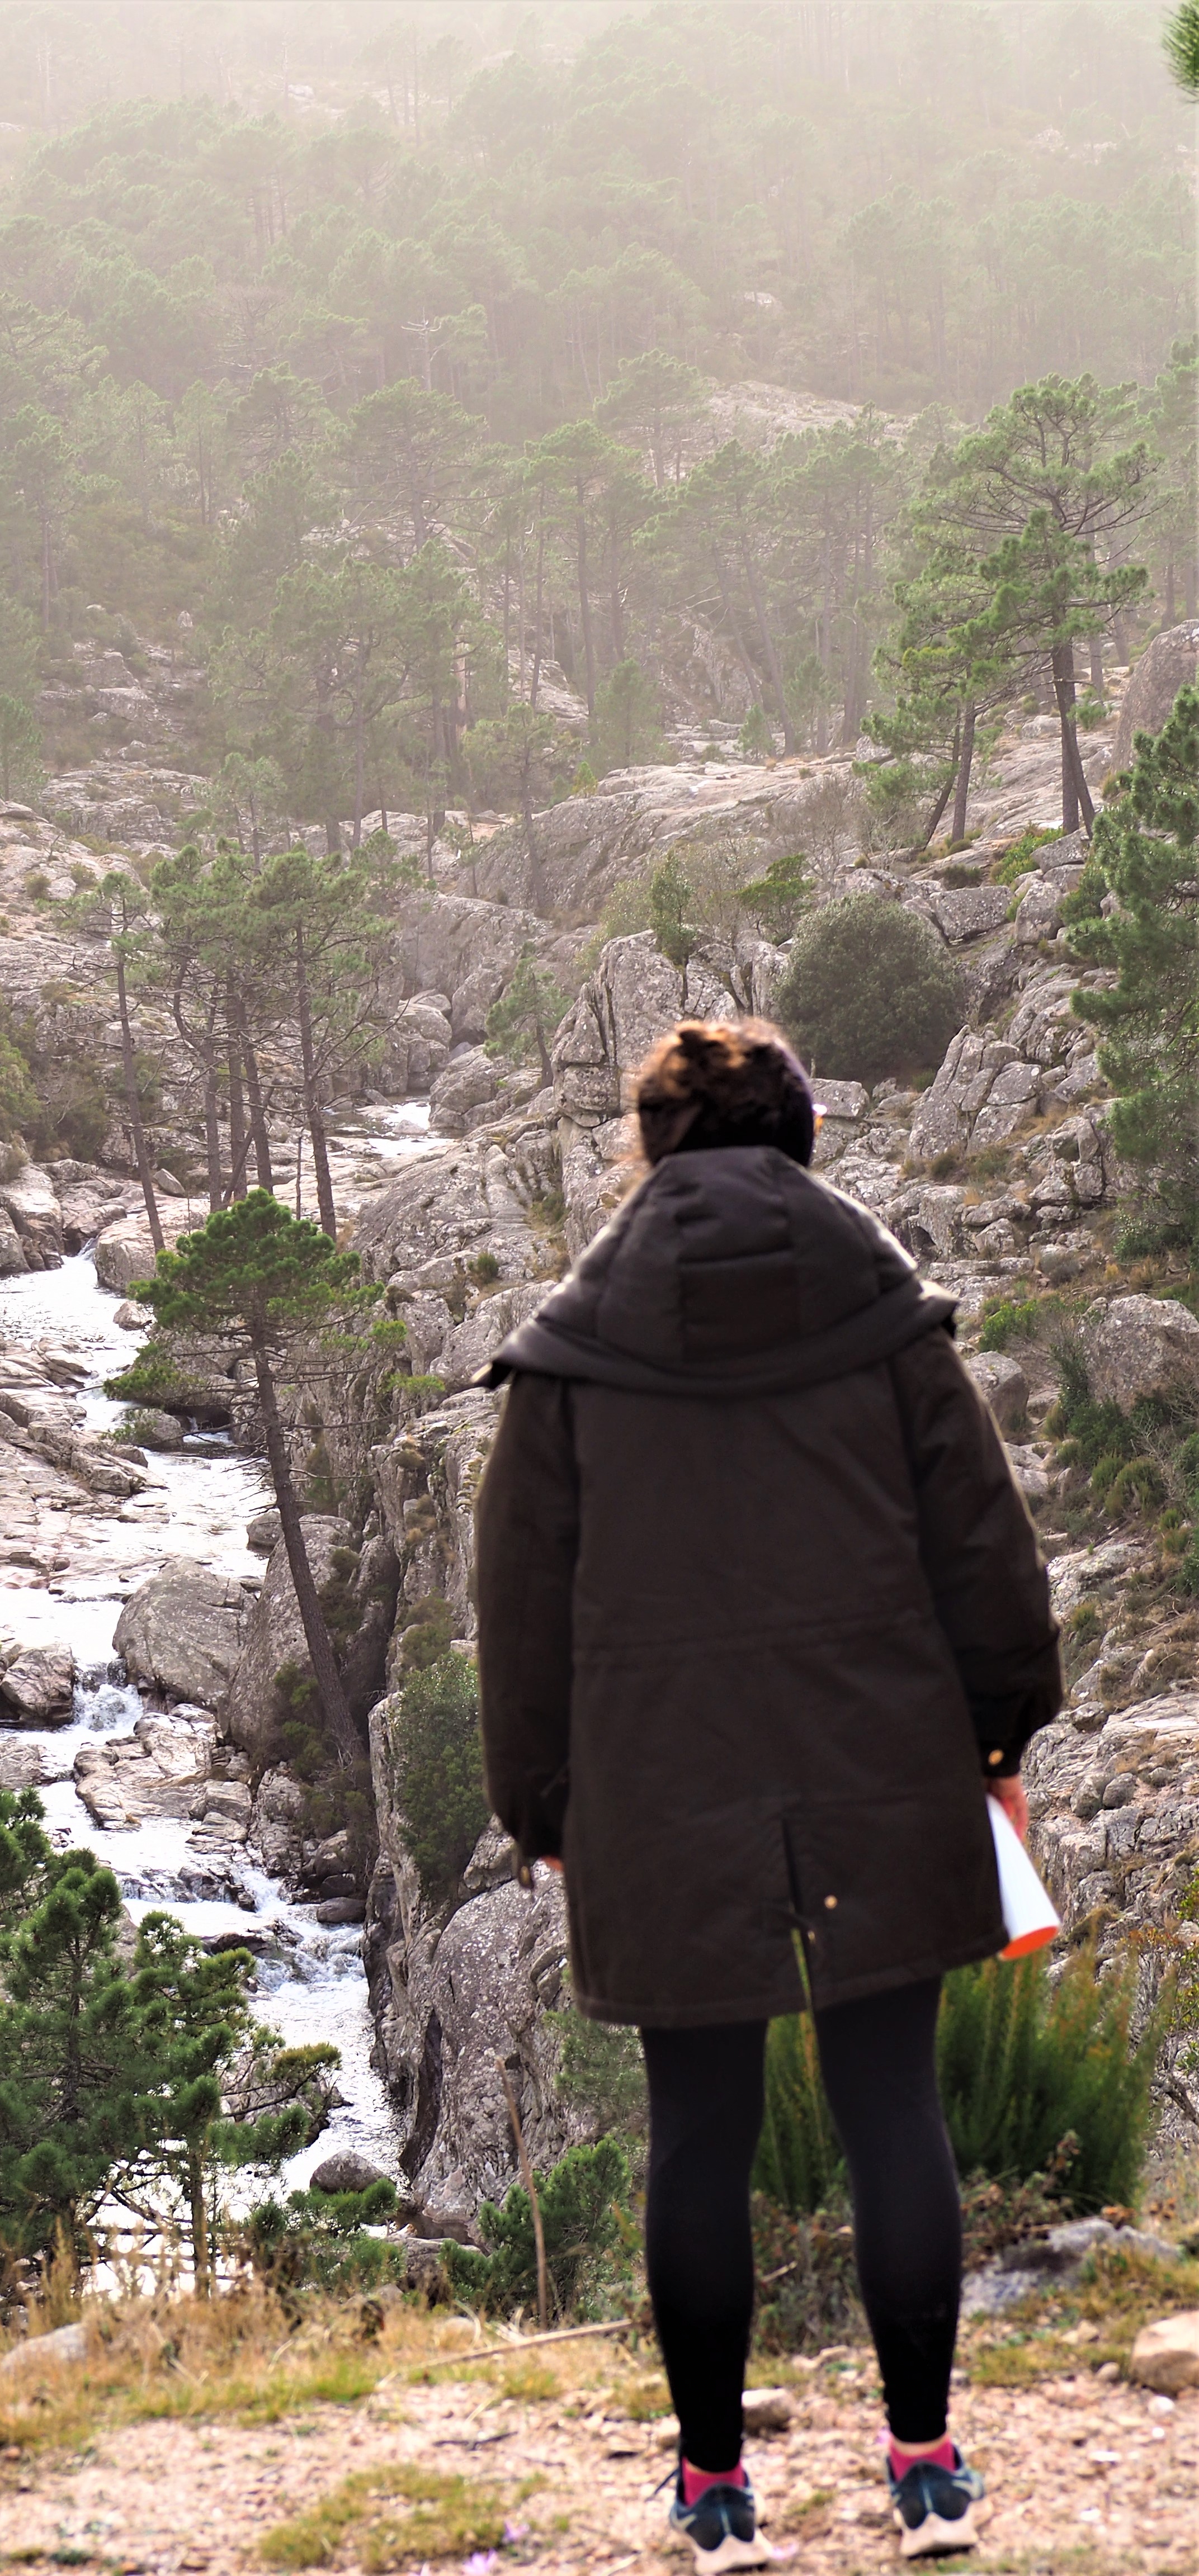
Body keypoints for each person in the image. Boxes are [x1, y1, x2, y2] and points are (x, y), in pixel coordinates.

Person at [475, 1019, 1060, 2572]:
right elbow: (986, 1559)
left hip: (662, 1786)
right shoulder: (888, 1323)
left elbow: (520, 1604)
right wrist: (996, 1738)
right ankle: (927, 2463)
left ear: (652, 1151)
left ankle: (717, 2489)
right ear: (800, 1138)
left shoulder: (571, 1354)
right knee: (891, 2106)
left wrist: (542, 1802)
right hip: (886, 1761)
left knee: (697, 2130)